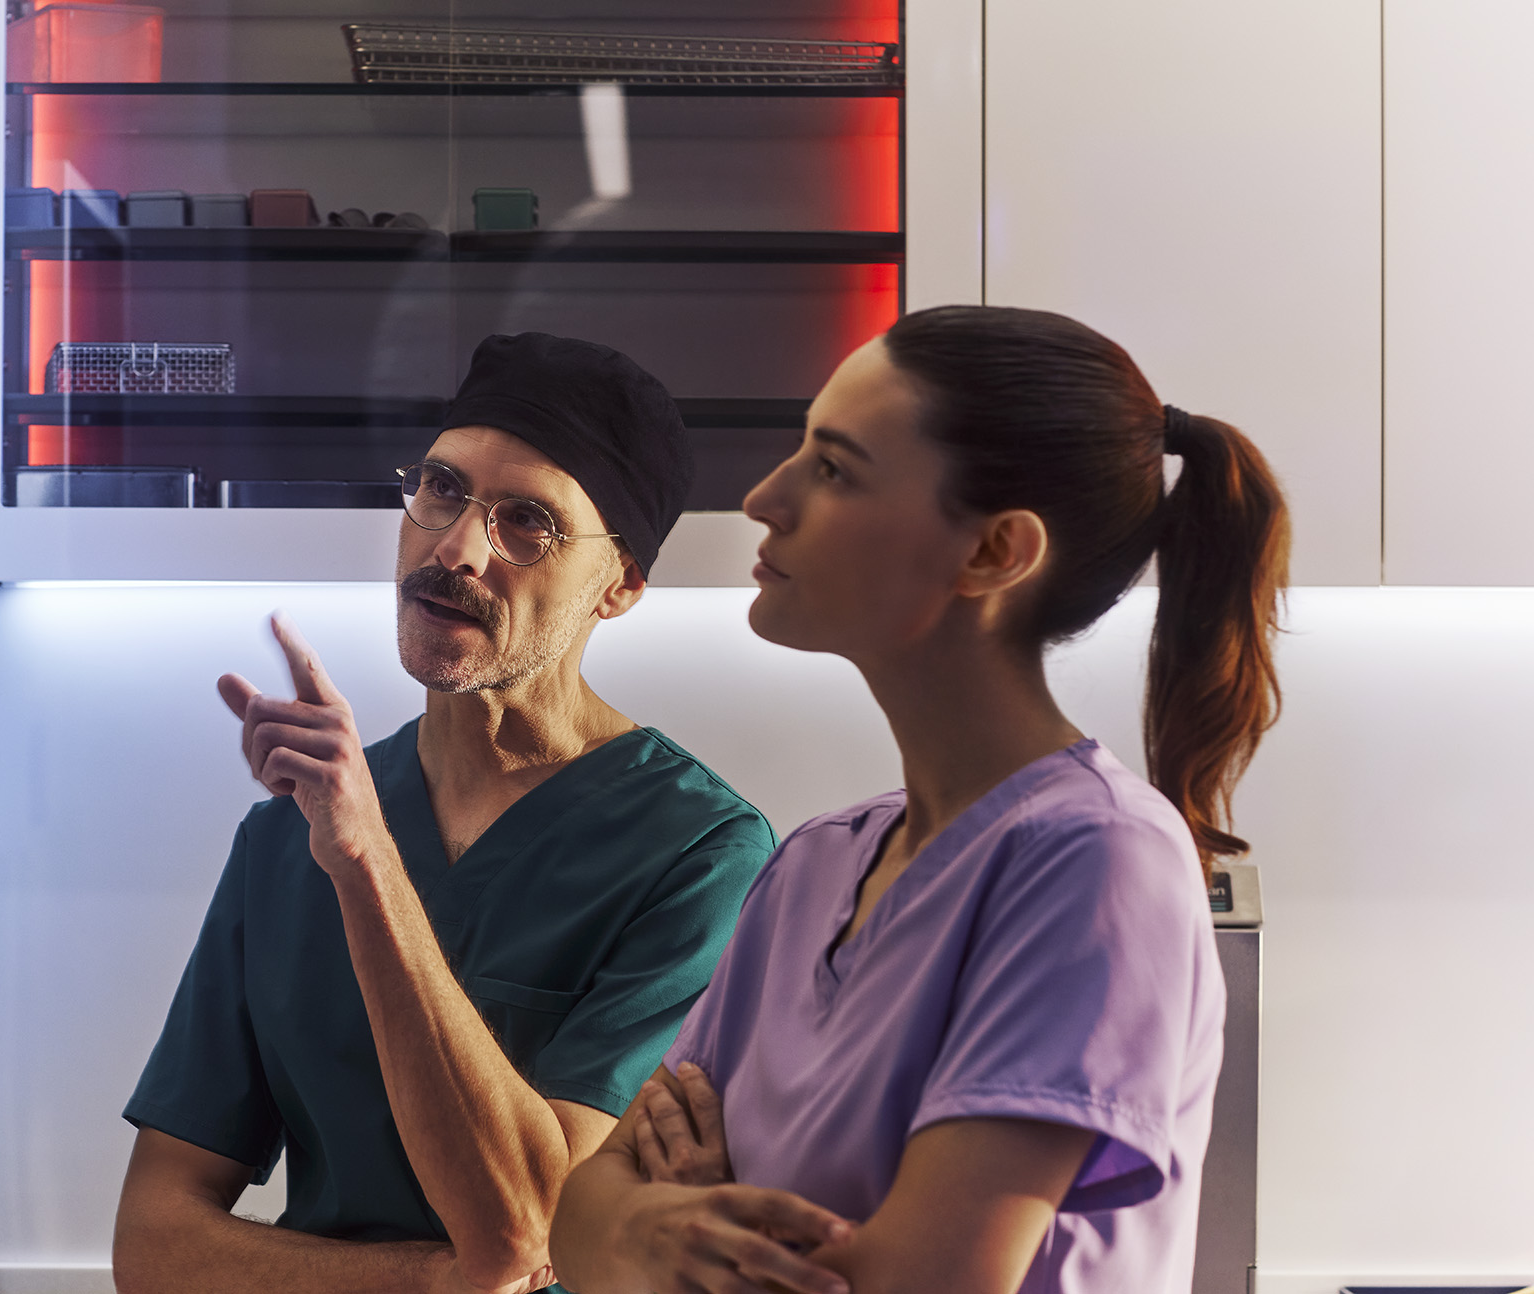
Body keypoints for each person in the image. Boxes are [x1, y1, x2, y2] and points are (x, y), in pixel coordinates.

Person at [550, 305, 1290, 1294]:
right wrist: (653, 1228)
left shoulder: (1098, 858)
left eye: (833, 467)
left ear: (992, 552)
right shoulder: (812, 865)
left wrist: (677, 1231)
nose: (764, 497)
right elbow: (578, 1216)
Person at [113, 333, 777, 1294]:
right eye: (441, 489)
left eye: (527, 522)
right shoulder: (288, 835)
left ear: (621, 584)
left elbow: (527, 1227)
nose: (455, 548)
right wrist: (432, 1282)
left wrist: (366, 862)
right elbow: (153, 1244)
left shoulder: (699, 853)